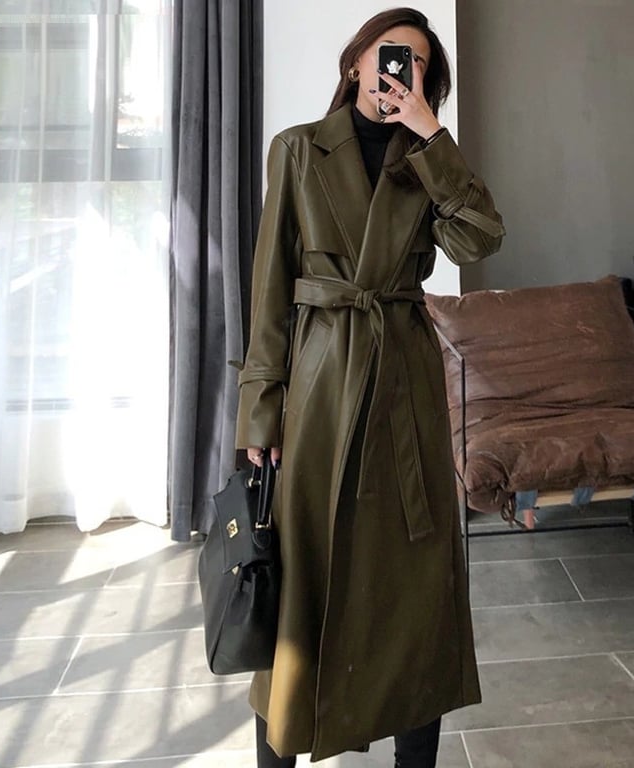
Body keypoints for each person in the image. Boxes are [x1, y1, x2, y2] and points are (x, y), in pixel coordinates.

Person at [235, 7, 505, 766]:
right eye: (390, 55)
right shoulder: (296, 149)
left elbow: (480, 238)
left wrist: (431, 135)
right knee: (303, 583)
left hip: (402, 386)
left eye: (416, 64)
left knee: (414, 588)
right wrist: (259, 410)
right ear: (356, 61)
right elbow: (269, 289)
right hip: (319, 386)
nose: (398, 71)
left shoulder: (428, 159)